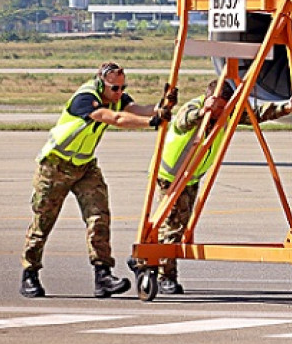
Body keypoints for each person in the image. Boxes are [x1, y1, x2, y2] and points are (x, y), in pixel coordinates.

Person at [20, 62, 176, 299]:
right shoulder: (85, 98)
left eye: (122, 88)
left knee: (99, 217)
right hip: (56, 166)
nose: (119, 93)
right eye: (115, 88)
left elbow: (135, 109)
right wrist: (151, 122)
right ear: (101, 84)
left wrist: (160, 107)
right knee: (43, 221)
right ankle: (29, 273)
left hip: (84, 166)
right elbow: (114, 118)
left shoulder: (116, 98)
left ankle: (103, 274)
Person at [152, 79, 287, 295]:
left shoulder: (225, 112)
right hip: (172, 176)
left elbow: (255, 114)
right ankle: (164, 276)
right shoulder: (194, 107)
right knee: (172, 227)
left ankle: (148, 260)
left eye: (225, 108)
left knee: (178, 226)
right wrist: (203, 112)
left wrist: (286, 107)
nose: (222, 112)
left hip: (191, 177)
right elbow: (182, 121)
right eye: (219, 107)